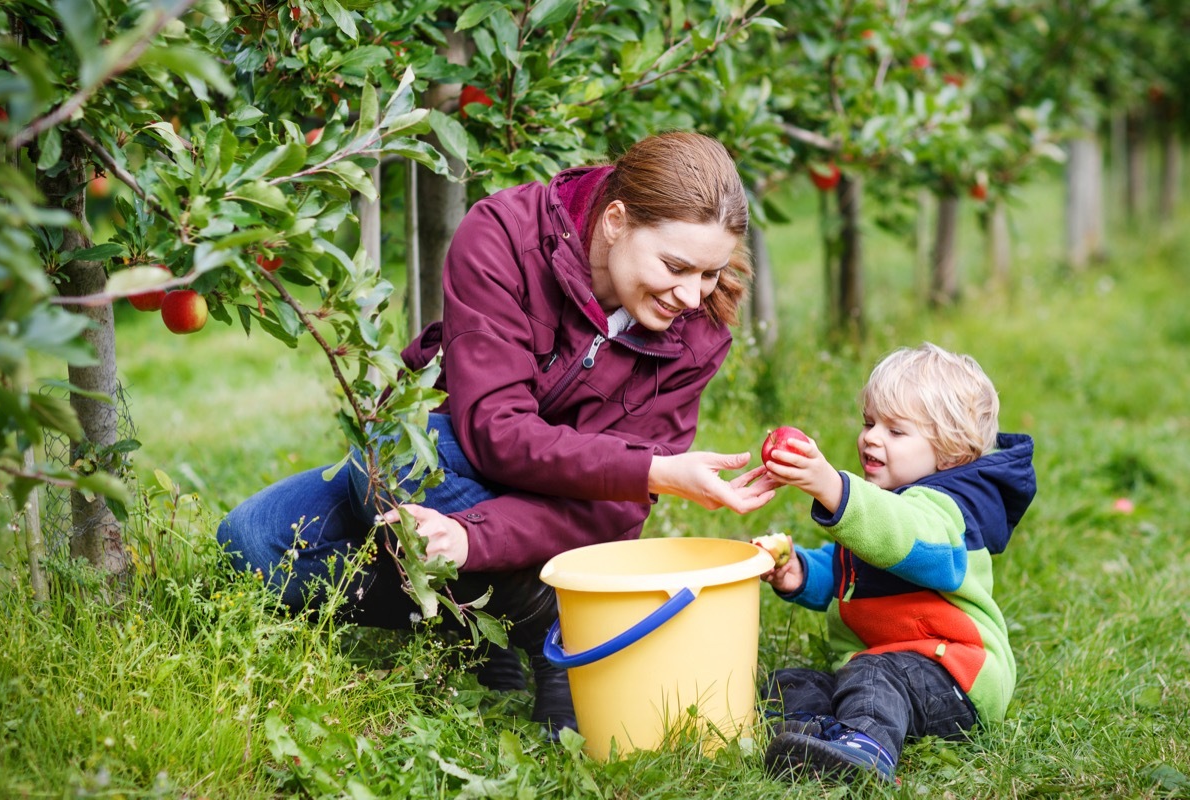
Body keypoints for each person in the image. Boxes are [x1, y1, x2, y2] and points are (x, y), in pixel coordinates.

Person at [217, 131, 779, 740]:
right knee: (260, 538)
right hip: (459, 462)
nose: (691, 295)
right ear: (616, 220)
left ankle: (527, 622)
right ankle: (521, 622)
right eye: (675, 267)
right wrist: (647, 470)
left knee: (390, 473)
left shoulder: (694, 332)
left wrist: (473, 536)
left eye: (709, 273)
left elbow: (610, 514)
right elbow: (493, 429)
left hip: (560, 517)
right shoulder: (505, 235)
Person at [754, 342, 1036, 784]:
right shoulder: (887, 507)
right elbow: (856, 567)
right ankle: (814, 738)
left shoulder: (950, 512)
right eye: (869, 423)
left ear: (949, 453)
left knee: (871, 675)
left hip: (956, 677)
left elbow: (904, 539)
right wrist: (801, 573)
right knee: (793, 681)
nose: (871, 437)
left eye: (896, 431)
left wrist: (835, 488)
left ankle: (864, 751)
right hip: (889, 667)